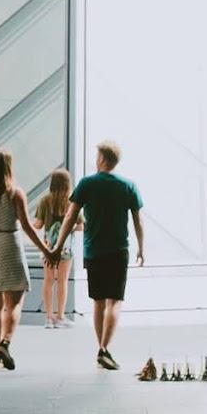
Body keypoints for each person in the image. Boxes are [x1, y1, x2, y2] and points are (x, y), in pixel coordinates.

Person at [60, 140, 145, 369]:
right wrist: (141, 248)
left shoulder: (87, 184)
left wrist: (58, 245)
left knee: (98, 301)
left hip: (94, 251)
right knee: (115, 301)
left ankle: (101, 348)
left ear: (101, 159)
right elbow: (137, 220)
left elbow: (70, 217)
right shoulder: (128, 185)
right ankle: (104, 348)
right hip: (118, 251)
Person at [0, 145, 48, 367]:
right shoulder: (15, 193)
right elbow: (27, 227)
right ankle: (5, 343)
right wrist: (46, 250)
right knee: (14, 302)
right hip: (10, 245)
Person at [33, 167, 74, 328]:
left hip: (48, 247)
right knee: (62, 281)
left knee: (48, 280)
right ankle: (60, 316)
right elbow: (80, 225)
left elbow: (38, 225)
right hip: (65, 248)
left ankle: (48, 318)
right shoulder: (71, 202)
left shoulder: (44, 201)